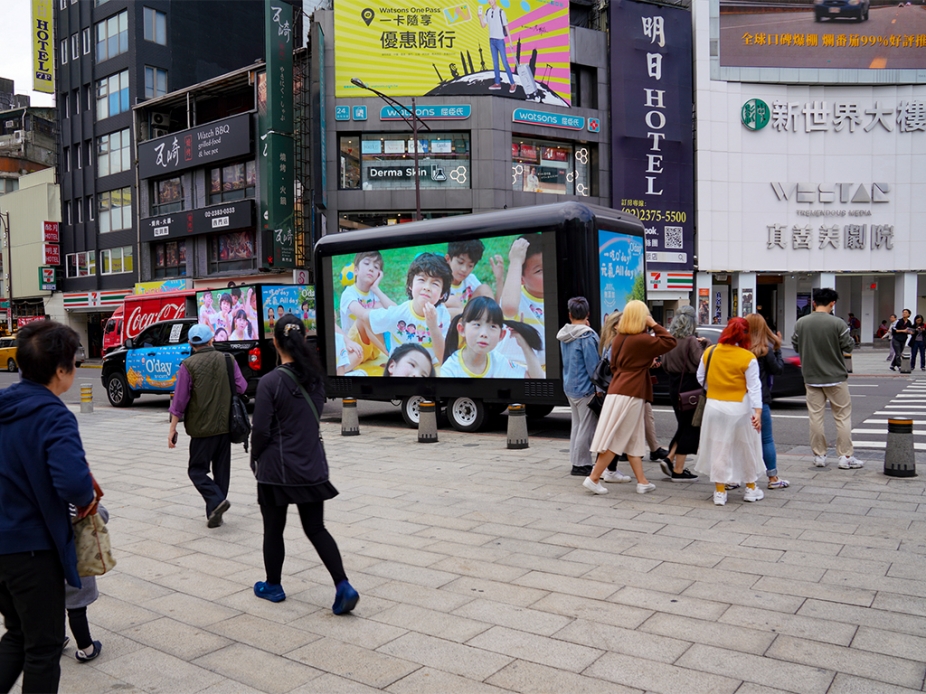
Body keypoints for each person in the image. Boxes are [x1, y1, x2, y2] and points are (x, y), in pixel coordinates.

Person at [0, 320, 96, 693]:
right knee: (44, 647)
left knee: (19, 634)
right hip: (32, 550)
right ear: (61, 370)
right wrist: (86, 498)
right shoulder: (53, 415)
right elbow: (74, 485)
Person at [250, 315, 359, 614]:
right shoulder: (315, 380)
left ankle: (273, 586)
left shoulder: (270, 382)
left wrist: (254, 456)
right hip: (311, 466)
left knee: (274, 529)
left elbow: (260, 430)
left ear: (275, 341)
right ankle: (343, 585)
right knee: (316, 528)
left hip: (276, 470)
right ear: (304, 338)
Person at [583, 300, 676, 496]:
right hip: (631, 392)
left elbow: (615, 366)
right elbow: (670, 341)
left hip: (618, 389)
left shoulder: (619, 339)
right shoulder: (642, 340)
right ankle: (593, 478)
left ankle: (642, 482)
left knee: (633, 437)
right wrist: (653, 324)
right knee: (618, 437)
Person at [168, 324, 248, 527]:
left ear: (190, 344)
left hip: (201, 430)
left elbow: (179, 401)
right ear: (211, 340)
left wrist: (172, 429)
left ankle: (216, 504)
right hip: (225, 427)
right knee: (222, 472)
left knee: (196, 470)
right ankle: (215, 512)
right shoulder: (228, 359)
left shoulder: (188, 365)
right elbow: (241, 386)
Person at [694, 318, 765, 506]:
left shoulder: (710, 352)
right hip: (740, 407)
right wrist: (758, 412)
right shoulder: (747, 357)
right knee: (746, 447)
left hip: (714, 406)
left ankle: (720, 492)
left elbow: (700, 377)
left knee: (719, 448)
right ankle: (750, 488)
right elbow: (754, 387)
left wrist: (714, 389)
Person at [791, 288, 861, 469]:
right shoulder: (838, 323)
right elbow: (849, 347)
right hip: (836, 376)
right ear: (833, 303)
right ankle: (845, 456)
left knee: (815, 417)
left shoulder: (801, 323)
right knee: (842, 416)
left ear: (814, 303)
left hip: (811, 376)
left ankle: (819, 455)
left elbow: (796, 345)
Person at [360, 253, 453, 367]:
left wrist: (433, 326)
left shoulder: (443, 315)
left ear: (442, 294)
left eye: (435, 283)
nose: (427, 287)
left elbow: (443, 358)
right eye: (422, 279)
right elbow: (366, 318)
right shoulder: (400, 313)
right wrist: (388, 350)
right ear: (411, 284)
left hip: (428, 366)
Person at [556, 297, 603, 477]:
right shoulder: (587, 335)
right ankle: (582, 464)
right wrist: (598, 389)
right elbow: (593, 367)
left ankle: (576, 461)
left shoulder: (564, 335)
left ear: (569, 314)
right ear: (587, 314)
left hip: (570, 386)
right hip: (585, 389)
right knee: (585, 427)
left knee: (577, 426)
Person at [442, 296, 542, 378]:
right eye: (477, 325)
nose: (484, 334)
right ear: (462, 329)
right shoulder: (450, 369)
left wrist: (524, 345)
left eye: (492, 326)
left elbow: (536, 382)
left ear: (501, 335)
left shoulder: (498, 361)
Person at [658, 306, 702, 482]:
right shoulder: (691, 341)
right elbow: (701, 362)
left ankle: (669, 458)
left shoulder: (670, 339)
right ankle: (678, 469)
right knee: (690, 427)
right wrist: (704, 345)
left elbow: (664, 364)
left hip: (674, 385)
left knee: (683, 425)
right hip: (690, 387)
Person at [746, 313, 788, 490]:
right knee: (766, 439)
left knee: (740, 440)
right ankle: (773, 477)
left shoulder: (740, 350)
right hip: (760, 400)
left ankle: (733, 479)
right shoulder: (765, 350)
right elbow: (778, 370)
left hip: (740, 400)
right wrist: (778, 350)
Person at [63, 503, 109, 663]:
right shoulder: (74, 496)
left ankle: (56, 639)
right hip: (75, 560)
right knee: (76, 608)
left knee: (52, 605)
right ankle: (86, 648)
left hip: (46, 560)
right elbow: (101, 515)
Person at [499, 235, 545, 370]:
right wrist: (516, 260)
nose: (549, 273)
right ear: (521, 279)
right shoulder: (515, 295)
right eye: (539, 270)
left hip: (542, 369)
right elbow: (509, 308)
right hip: (512, 364)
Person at [444, 239, 498, 316]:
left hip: (469, 320)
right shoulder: (440, 281)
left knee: (484, 289)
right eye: (460, 262)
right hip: (449, 322)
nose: (464, 269)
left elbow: (491, 301)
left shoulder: (470, 280)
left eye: (470, 266)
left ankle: (492, 319)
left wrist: (499, 279)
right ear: (448, 259)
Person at [478, 0, 516, 93]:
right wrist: (480, 17)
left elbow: (506, 27)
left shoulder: (501, 12)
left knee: (504, 62)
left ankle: (512, 83)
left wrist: (510, 41)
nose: (490, 1)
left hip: (500, 40)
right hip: (492, 40)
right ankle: (497, 83)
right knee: (495, 63)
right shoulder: (487, 11)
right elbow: (483, 25)